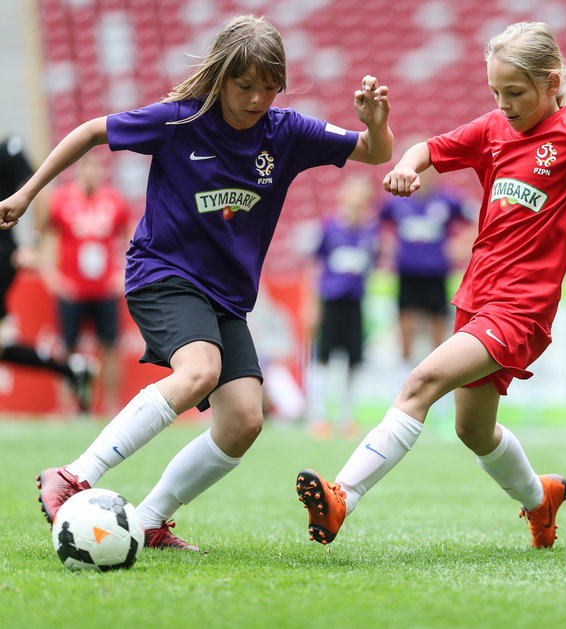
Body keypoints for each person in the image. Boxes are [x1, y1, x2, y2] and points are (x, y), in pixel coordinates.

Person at [294, 21, 566, 549]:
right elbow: (427, 149)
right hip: (475, 297)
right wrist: (408, 169)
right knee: (473, 431)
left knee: (420, 384)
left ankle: (343, 494)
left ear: (552, 83)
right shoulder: (491, 129)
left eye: (516, 92)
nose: (504, 104)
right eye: (496, 92)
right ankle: (540, 500)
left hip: (522, 308)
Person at [0, 14, 393, 550]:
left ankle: (149, 521)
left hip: (226, 297)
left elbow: (377, 152)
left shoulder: (288, 132)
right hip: (162, 274)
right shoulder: (180, 122)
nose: (258, 97)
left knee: (244, 422)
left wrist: (375, 123)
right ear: (221, 76)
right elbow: (92, 131)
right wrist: (26, 194)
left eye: (269, 85)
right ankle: (73, 474)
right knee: (200, 371)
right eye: (245, 84)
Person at [0, 133, 93, 413]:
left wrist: (34, 243)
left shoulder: (8, 149)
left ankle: (71, 369)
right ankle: (71, 369)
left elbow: (39, 193)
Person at [37, 149, 134, 414]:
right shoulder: (62, 201)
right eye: (87, 169)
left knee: (111, 346)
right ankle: (66, 406)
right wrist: (52, 278)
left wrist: (123, 274)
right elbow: (47, 239)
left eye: (97, 169)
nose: (92, 174)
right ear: (79, 171)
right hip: (72, 289)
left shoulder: (114, 201)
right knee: (67, 346)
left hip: (105, 289)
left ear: (102, 172)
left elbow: (132, 237)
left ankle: (112, 404)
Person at [378, 142, 473, 373]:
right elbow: (375, 226)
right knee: (405, 332)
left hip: (436, 274)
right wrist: (386, 247)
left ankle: (438, 386)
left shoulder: (448, 200)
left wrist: (460, 247)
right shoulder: (396, 199)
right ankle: (402, 382)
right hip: (407, 274)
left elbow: (477, 222)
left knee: (438, 334)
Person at [305, 175, 380, 439]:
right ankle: (318, 415)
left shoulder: (371, 233)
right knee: (323, 359)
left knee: (354, 361)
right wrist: (312, 305)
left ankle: (348, 417)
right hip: (331, 302)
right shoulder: (329, 229)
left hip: (355, 302)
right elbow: (314, 267)